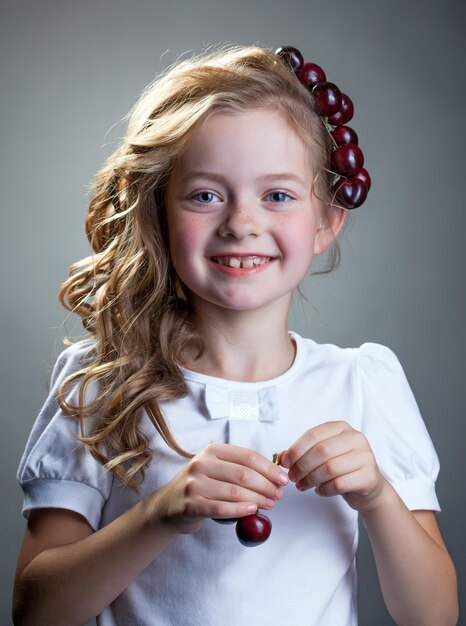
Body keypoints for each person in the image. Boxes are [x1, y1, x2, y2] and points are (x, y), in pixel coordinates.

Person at [13, 44, 458, 625]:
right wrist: (160, 515)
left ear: (326, 221)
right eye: (205, 195)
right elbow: (36, 612)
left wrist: (377, 495)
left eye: (277, 195)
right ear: (159, 215)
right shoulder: (101, 385)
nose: (242, 222)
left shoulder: (364, 383)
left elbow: (435, 617)